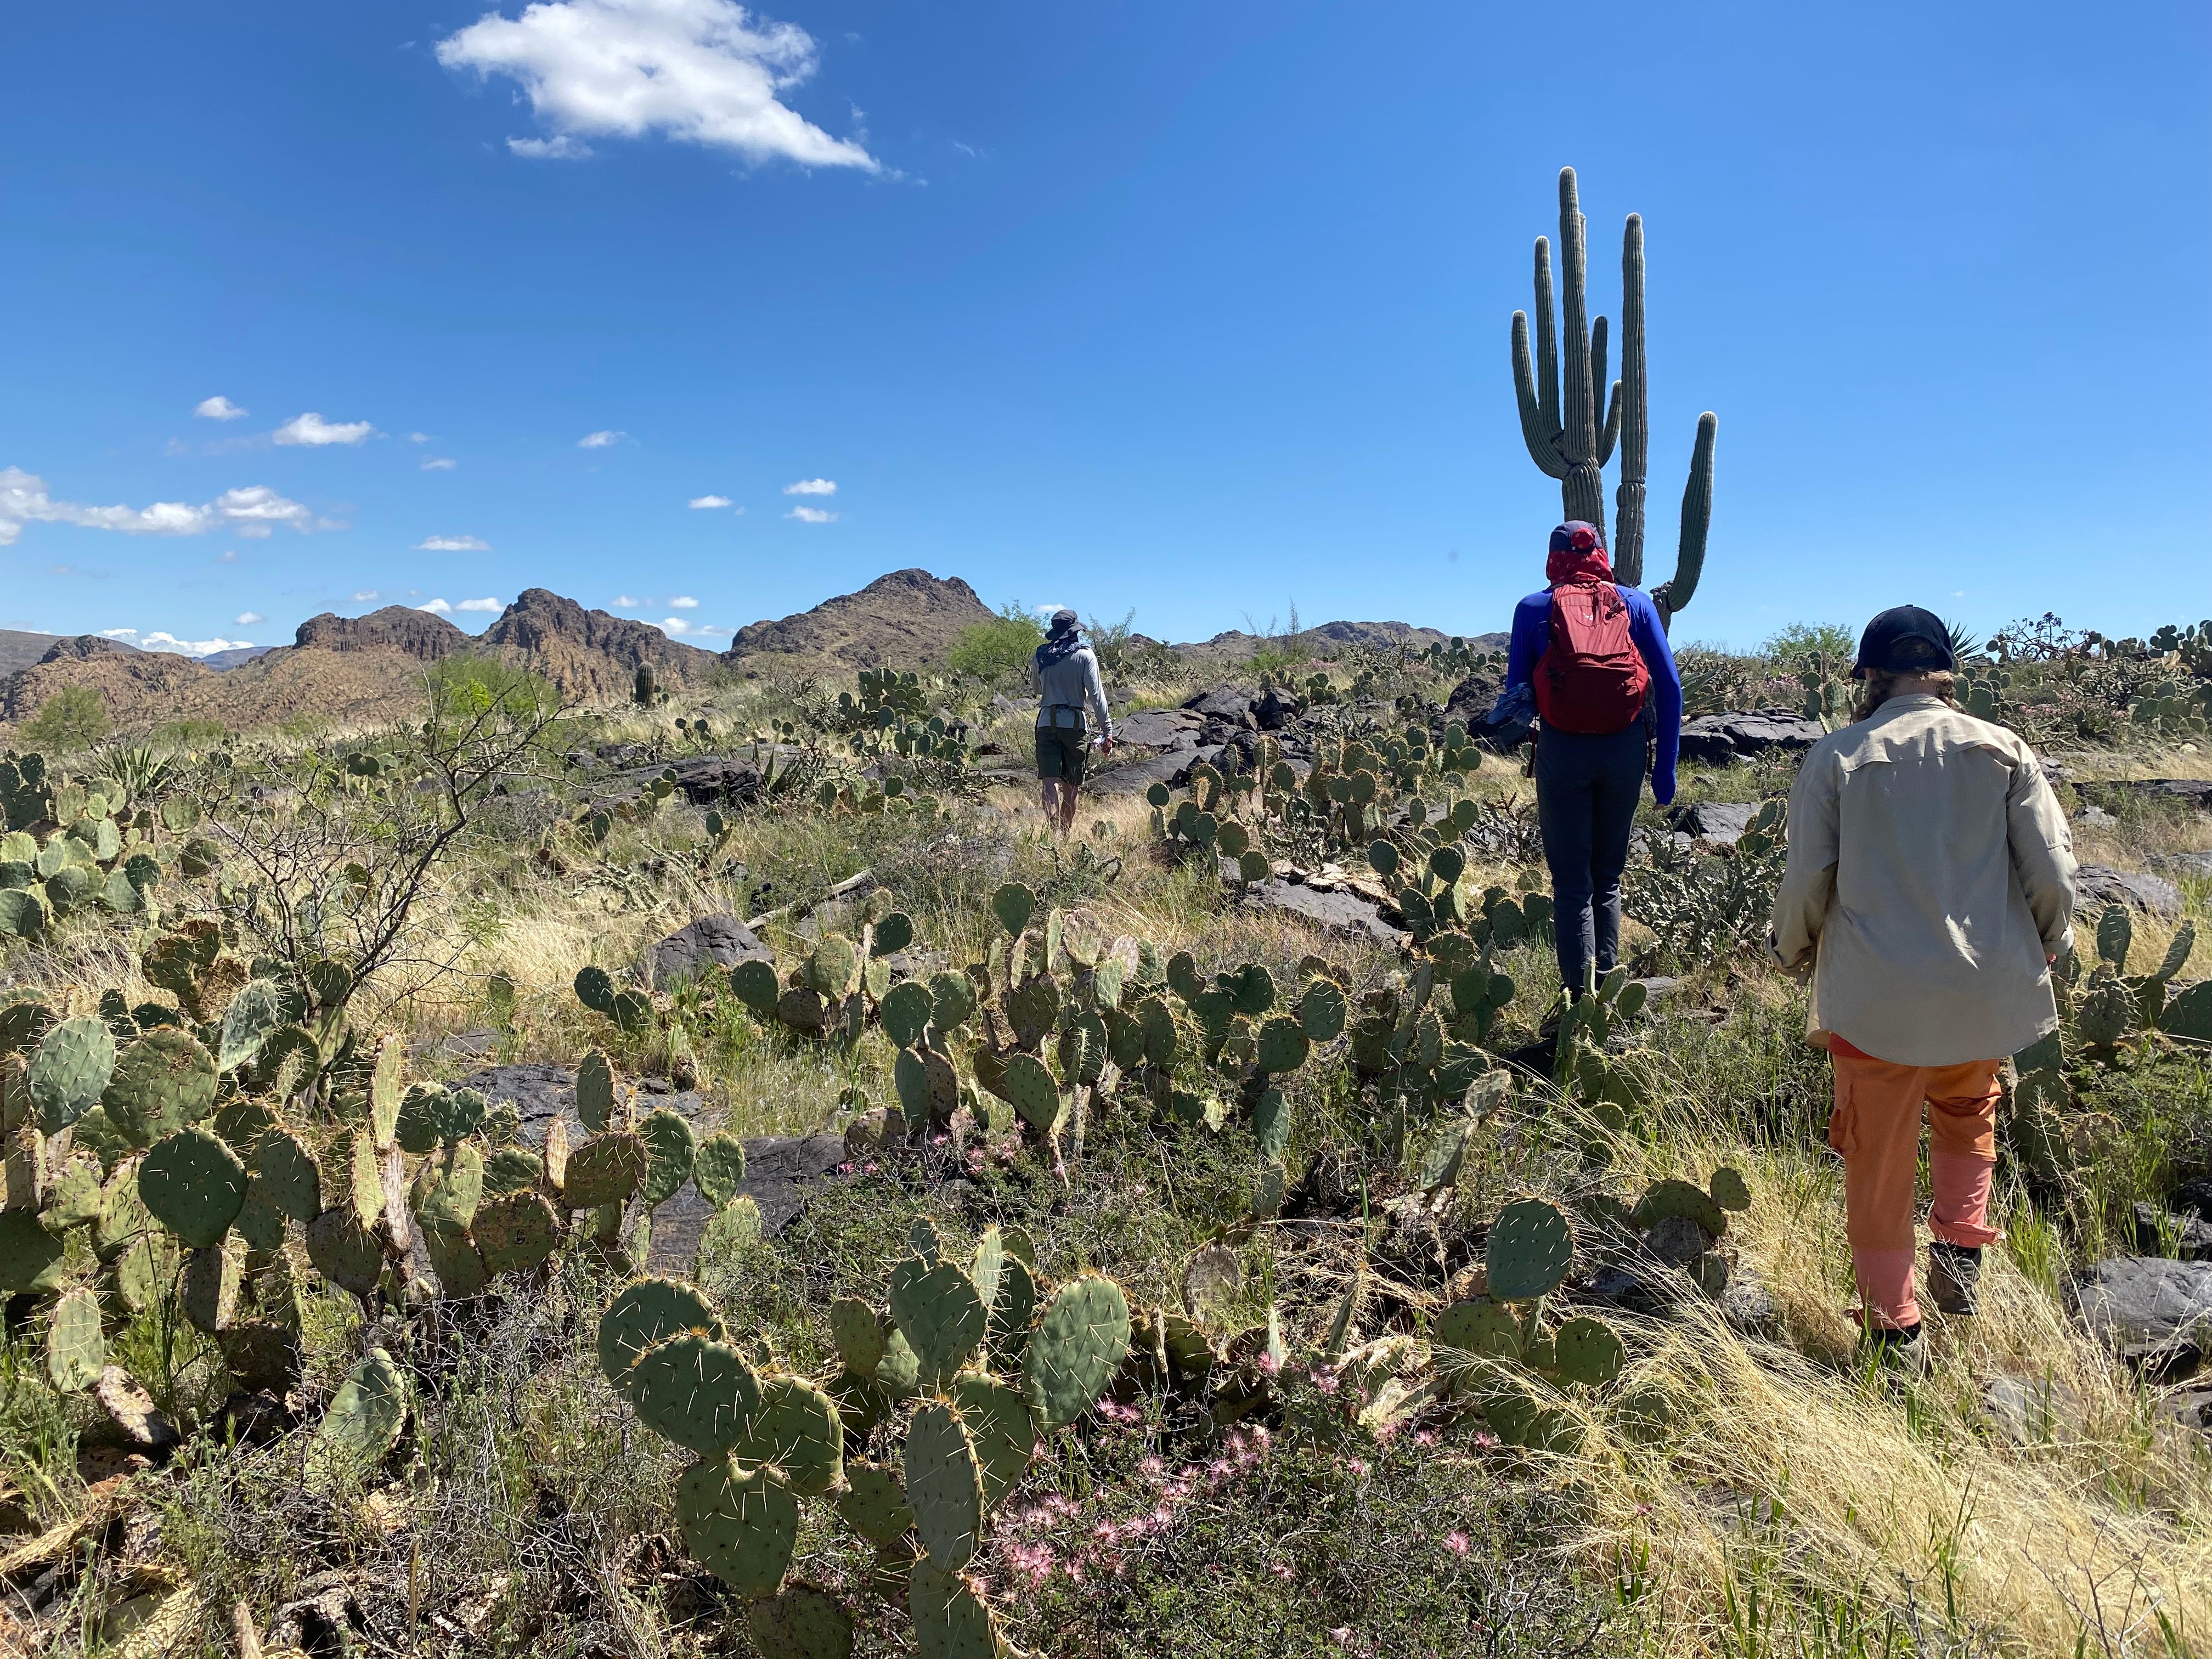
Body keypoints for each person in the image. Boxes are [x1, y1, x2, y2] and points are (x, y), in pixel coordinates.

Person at [1770, 605, 2075, 1372]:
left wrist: (1794, 948)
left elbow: (1808, 876)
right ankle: (1962, 1258)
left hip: (1876, 1002)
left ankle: (1894, 1333)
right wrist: (2050, 943)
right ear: (1944, 673)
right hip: (1980, 991)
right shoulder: (2003, 749)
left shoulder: (1838, 756)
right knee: (1970, 1110)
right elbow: (2054, 872)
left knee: (1877, 1160)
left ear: (1868, 678)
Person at [1503, 521, 1682, 998]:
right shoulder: (1638, 605)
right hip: (1624, 750)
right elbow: (1669, 688)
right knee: (1608, 876)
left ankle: (1578, 1003)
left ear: (1553, 557)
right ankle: (1608, 990)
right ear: (1601, 553)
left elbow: (1516, 693)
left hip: (1563, 751)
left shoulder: (1532, 609)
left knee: (1570, 883)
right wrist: (1665, 772)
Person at [1029, 608, 1114, 837]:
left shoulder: (1040, 655)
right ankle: (1064, 835)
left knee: (1049, 782)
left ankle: (1053, 832)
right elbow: (1097, 696)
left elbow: (1037, 690)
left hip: (1046, 723)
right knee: (1071, 786)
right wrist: (1107, 730)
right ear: (1075, 630)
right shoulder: (1085, 655)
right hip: (1075, 726)